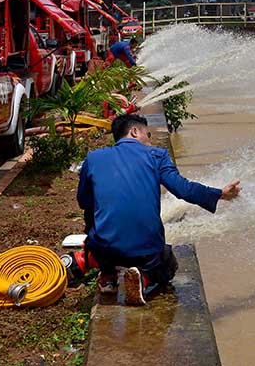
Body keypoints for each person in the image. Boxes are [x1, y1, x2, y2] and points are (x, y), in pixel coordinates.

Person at [76, 113, 241, 305]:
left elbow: (84, 201)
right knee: (168, 263)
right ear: (135, 131)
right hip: (145, 251)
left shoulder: (94, 158)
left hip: (104, 248)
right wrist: (220, 193)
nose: (150, 140)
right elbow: (183, 189)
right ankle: (144, 280)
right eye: (148, 134)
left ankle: (107, 277)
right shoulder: (157, 156)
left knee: (92, 212)